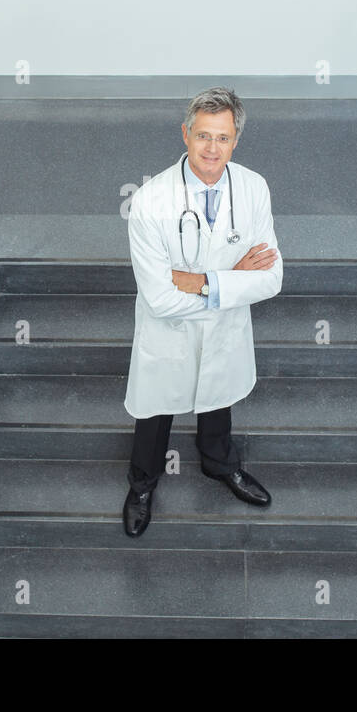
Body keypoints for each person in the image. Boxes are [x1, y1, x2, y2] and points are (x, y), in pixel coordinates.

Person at [122, 87, 282, 537]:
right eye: (203, 136)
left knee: (218, 396)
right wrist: (232, 280)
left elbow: (271, 279)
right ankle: (142, 484)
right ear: (185, 134)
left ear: (236, 141)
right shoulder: (151, 201)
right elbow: (158, 297)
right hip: (166, 332)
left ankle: (219, 465)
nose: (213, 149)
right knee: (154, 413)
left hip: (224, 330)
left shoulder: (253, 189)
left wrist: (199, 281)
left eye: (223, 138)